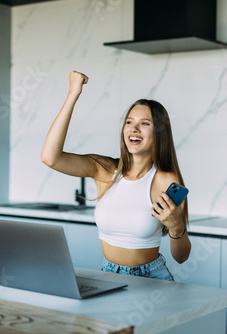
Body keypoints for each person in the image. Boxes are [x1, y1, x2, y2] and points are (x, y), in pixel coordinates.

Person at [41, 71, 191, 281]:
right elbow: (50, 157)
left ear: (158, 132)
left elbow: (182, 257)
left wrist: (176, 226)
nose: (134, 128)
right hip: (108, 275)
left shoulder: (165, 180)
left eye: (145, 123)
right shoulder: (104, 170)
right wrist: (73, 94)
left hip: (151, 278)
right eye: (129, 122)